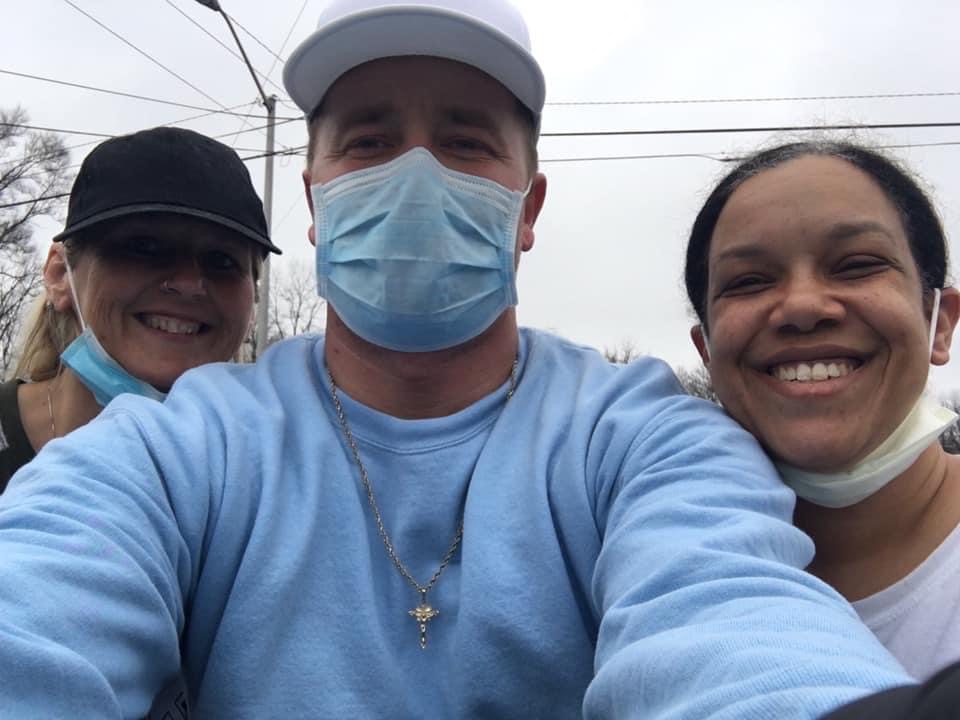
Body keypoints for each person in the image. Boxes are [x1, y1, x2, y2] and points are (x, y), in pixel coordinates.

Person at [0, 2, 914, 718]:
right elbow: (39, 606)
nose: (417, 172)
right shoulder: (187, 442)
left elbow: (734, 624)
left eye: (468, 139)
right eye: (368, 139)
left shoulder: (643, 436)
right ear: (315, 199)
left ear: (528, 205)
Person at [684, 140, 960, 681]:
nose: (803, 308)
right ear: (707, 352)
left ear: (941, 321)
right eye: (749, 281)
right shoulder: (634, 572)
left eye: (856, 265)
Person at [0, 126, 280, 489]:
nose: (188, 283)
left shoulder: (267, 480)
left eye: (221, 260)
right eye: (144, 247)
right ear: (59, 274)